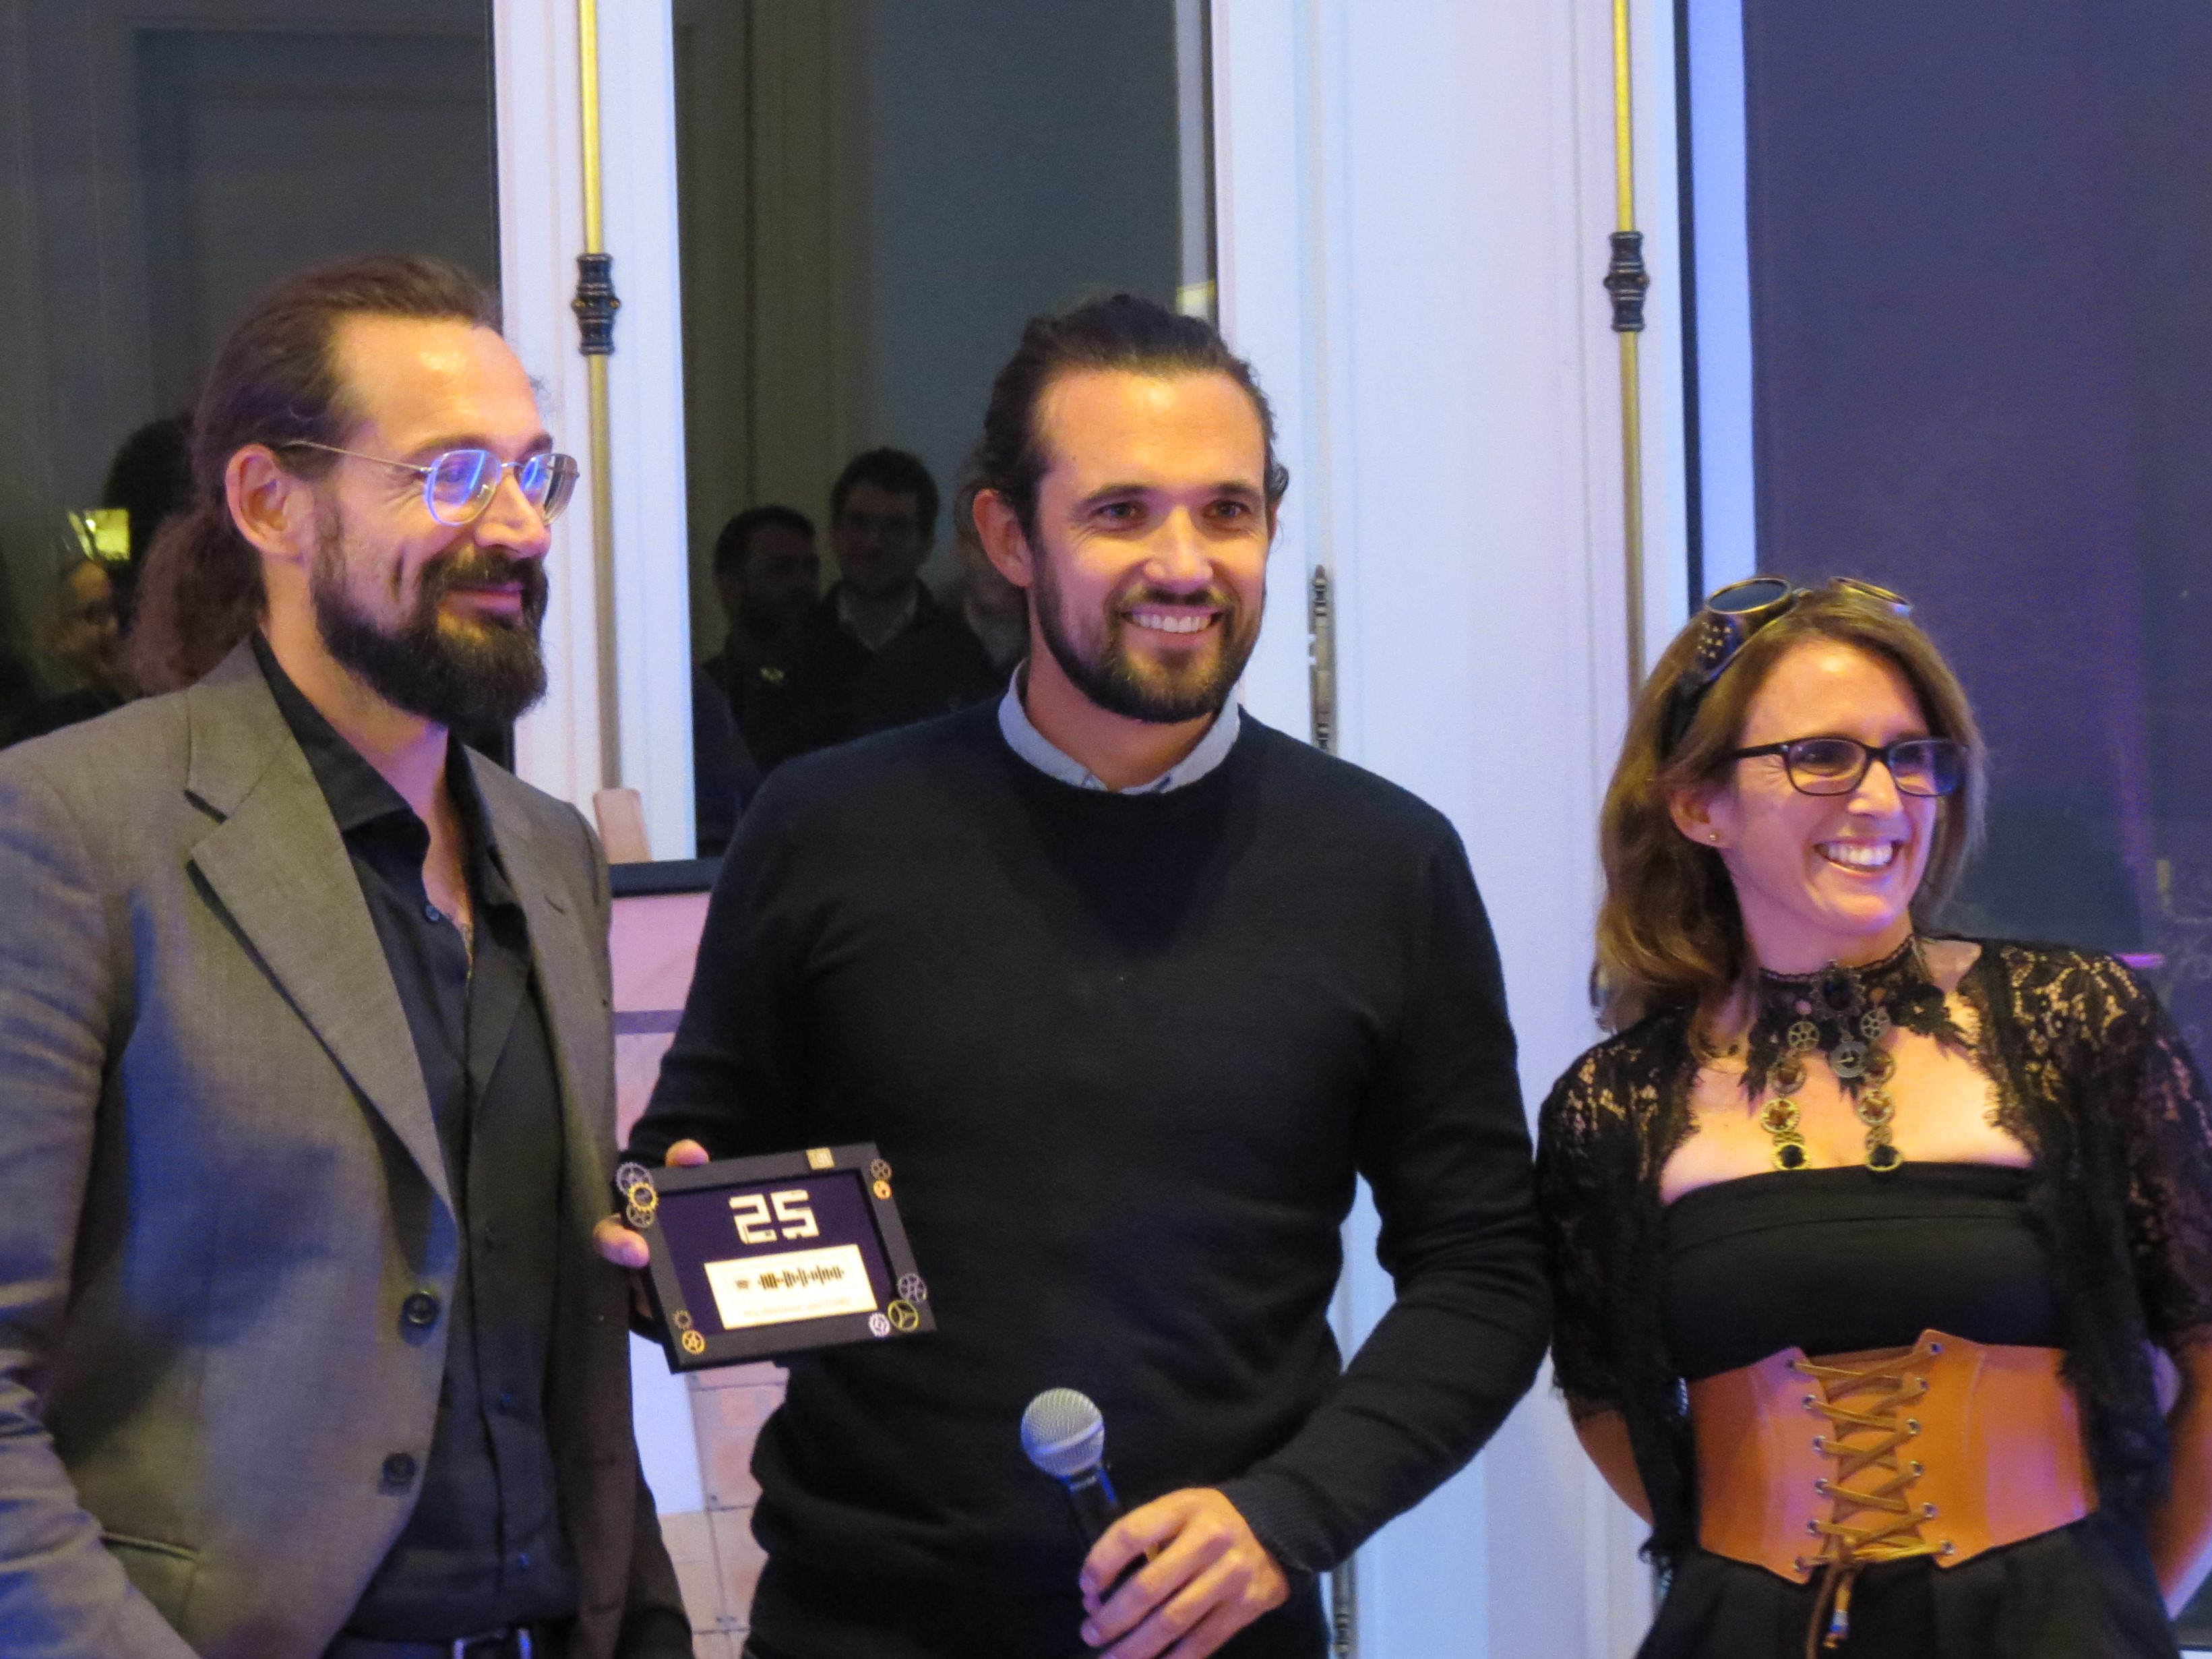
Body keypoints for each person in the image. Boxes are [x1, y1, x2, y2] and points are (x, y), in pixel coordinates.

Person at [601, 295, 1549, 1659]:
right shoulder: (827, 829)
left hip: (1218, 1634)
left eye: (1227, 511)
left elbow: (1484, 1270)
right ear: (1007, 537)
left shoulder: (1385, 864)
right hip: (855, 1628)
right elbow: (695, 1165)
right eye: (1122, 513)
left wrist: (1289, 1515)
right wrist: (661, 1239)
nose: (1185, 561)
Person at [0, 255, 692, 1659]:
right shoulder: (73, 828)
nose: (517, 529)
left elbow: (532, 1351)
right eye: (448, 478)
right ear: (269, 503)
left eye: (532, 476)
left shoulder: (550, 854)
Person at [1537, 577, 2212, 1658]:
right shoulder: (1614, 1106)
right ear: (1697, 802)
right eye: (1821, 756)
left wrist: (2116, 1599)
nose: (1882, 800)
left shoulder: (2072, 1023)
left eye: (1911, 756)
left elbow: (2208, 1351)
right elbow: (1605, 1398)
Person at [743, 448, 998, 769]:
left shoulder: (965, 654)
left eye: (895, 527)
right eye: (858, 523)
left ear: (926, 542)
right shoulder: (788, 654)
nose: (873, 543)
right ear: (835, 533)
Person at [700, 504, 818, 735]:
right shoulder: (700, 696)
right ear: (730, 588)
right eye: (781, 569)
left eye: (811, 568)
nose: (803, 582)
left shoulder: (841, 683)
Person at [14, 555, 135, 741]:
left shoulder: (151, 695)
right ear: (64, 633)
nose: (114, 627)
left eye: (116, 607)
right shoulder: (49, 727)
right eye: (95, 613)